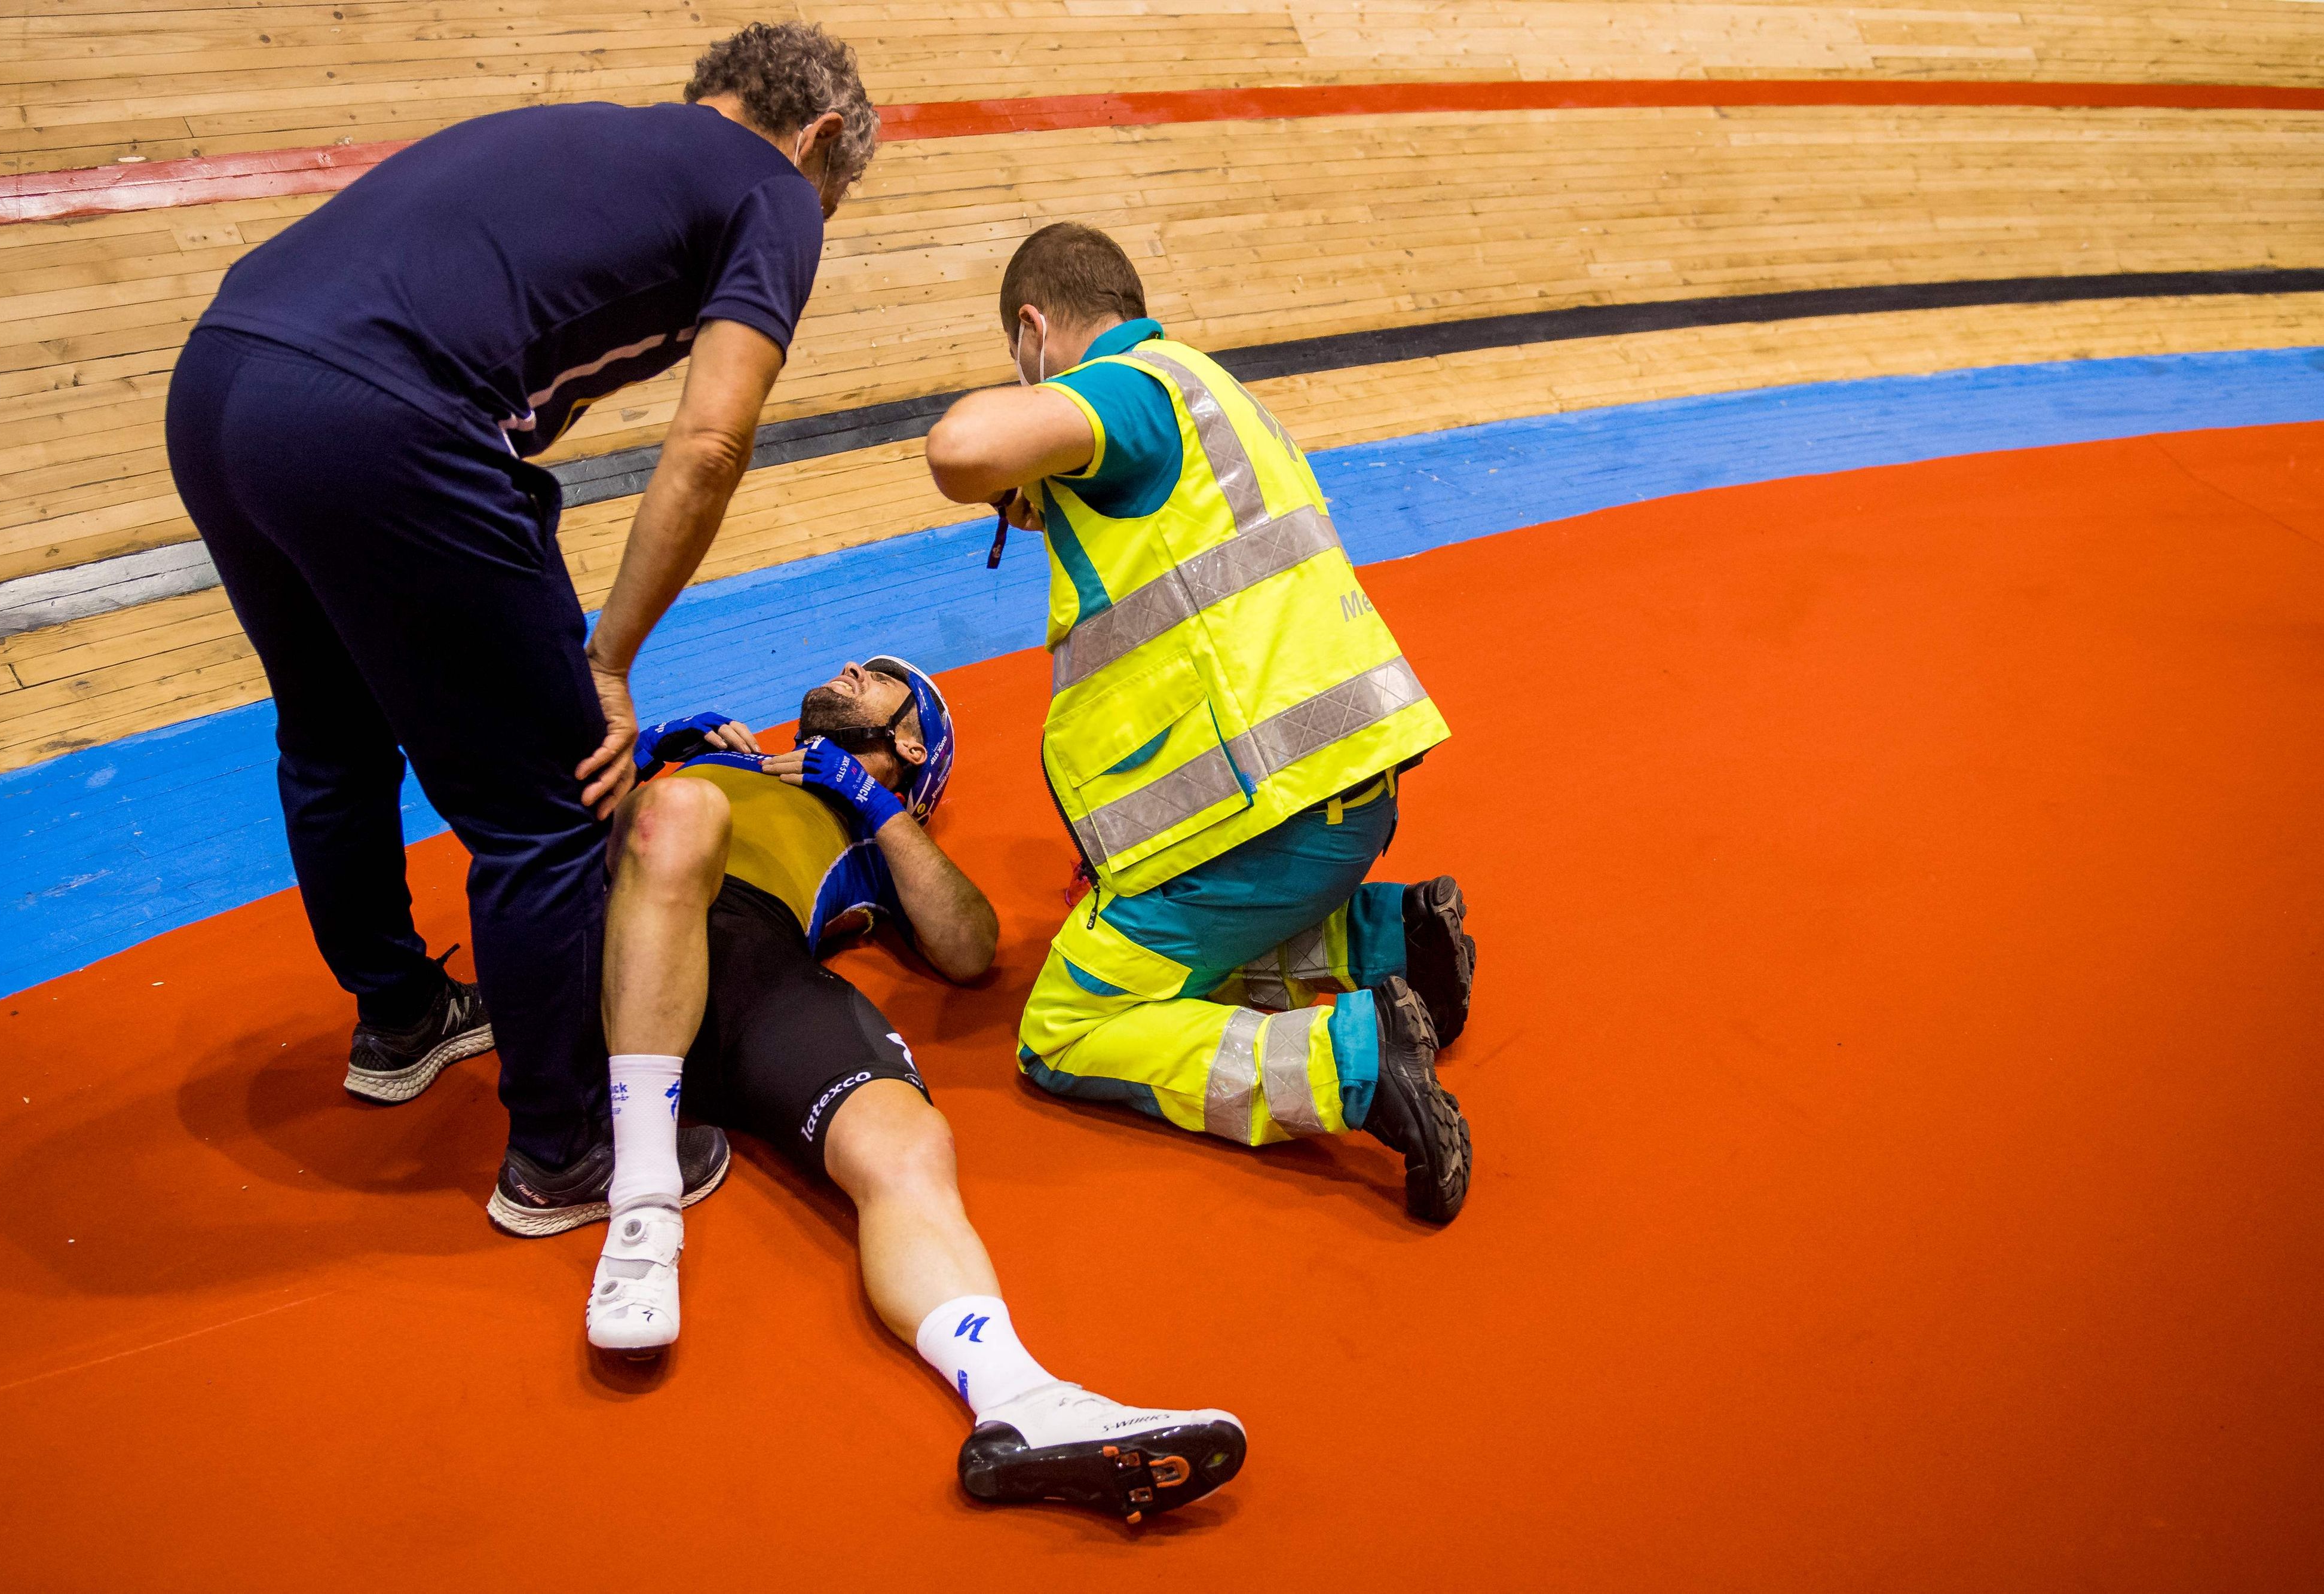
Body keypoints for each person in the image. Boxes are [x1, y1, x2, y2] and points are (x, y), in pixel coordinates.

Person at [161, 25, 877, 1226]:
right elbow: (710, 440)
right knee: (552, 796)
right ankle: (565, 1149)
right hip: (377, 414)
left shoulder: (603, 138)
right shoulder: (771, 185)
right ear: (814, 135)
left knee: (331, 734)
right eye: (834, 193)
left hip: (223, 374)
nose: (819, 217)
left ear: (707, 93)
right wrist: (603, 657)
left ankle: (397, 1016)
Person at [587, 657, 1248, 1523]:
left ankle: (1022, 1400)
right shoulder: (707, 770)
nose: (852, 666)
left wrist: (875, 806)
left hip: (748, 972)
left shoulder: (871, 832)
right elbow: (544, 836)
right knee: (679, 812)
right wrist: (646, 765)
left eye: (882, 679)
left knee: (910, 1143)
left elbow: (970, 947)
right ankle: (644, 1208)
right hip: (615, 951)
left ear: (908, 742)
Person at [923, 224, 1481, 1223]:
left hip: (1264, 822)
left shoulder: (1125, 390)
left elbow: (959, 448)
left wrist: (1034, 423)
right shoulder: (1210, 389)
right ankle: (1390, 936)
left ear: (1033, 330)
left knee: (1064, 1026)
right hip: (1343, 796)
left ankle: (1353, 1064)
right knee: (1177, 946)